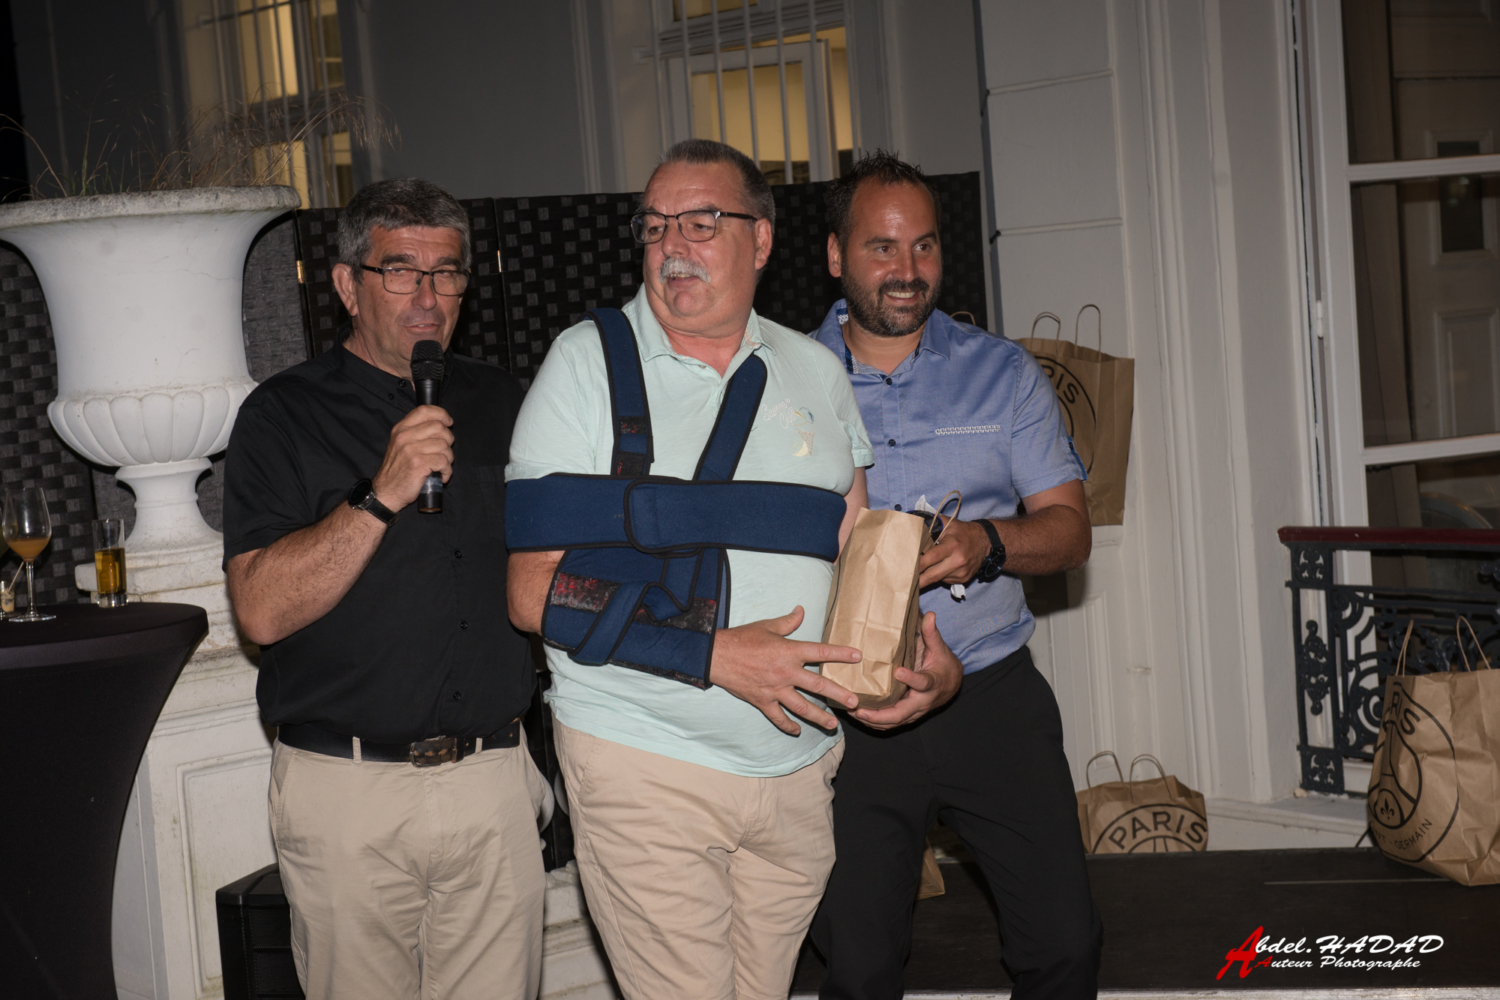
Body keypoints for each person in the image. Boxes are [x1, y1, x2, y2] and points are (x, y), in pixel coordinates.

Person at [506, 139, 903, 1000]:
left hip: (798, 768)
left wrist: (908, 656)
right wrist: (714, 655)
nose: (671, 246)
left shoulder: (817, 370)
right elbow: (533, 594)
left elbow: (854, 549)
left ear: (761, 239)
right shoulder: (584, 364)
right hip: (646, 758)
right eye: (655, 227)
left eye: (699, 222)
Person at [222, 178, 548, 1000]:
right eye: (400, 271)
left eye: (447, 273)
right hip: (349, 792)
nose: (428, 297)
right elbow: (259, 610)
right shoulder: (282, 415)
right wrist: (381, 494)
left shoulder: (506, 401)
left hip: (492, 779)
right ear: (346, 284)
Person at [808, 152, 1104, 1000]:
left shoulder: (1002, 372)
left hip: (991, 697)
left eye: (925, 245)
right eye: (882, 247)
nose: (908, 269)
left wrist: (988, 544)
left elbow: (1071, 530)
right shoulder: (783, 380)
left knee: (1065, 947)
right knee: (858, 967)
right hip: (847, 715)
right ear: (835, 254)